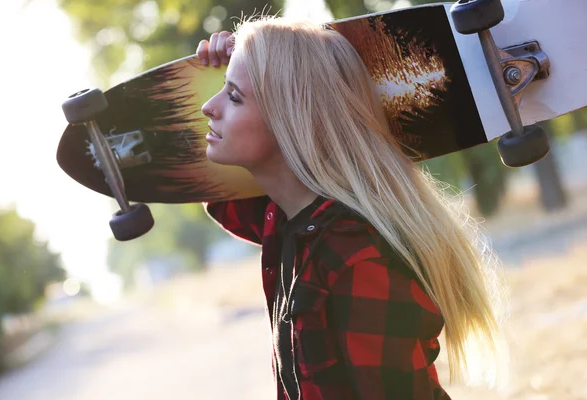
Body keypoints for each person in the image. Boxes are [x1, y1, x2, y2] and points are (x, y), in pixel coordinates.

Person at [197, 16, 509, 400]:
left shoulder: (356, 258)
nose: (206, 107)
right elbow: (220, 196)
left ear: (290, 120)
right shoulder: (286, 221)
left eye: (233, 96)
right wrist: (229, 64)